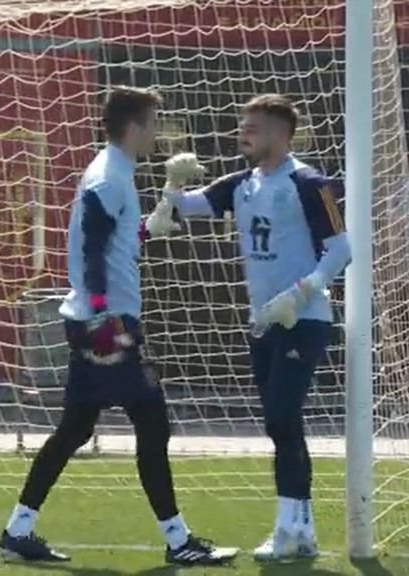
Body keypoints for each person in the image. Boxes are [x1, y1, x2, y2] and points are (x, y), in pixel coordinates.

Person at [0, 87, 238, 566]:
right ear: (134, 125)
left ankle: (17, 530)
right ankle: (178, 541)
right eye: (153, 122)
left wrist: (154, 223)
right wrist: (106, 315)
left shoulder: (115, 172)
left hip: (93, 321)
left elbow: (115, 238)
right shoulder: (108, 176)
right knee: (153, 423)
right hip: (106, 326)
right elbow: (89, 249)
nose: (157, 132)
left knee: (74, 429)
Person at [145, 94, 351, 561]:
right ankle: (300, 530)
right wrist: (171, 186)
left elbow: (342, 248)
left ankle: (289, 528)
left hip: (304, 318)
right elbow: (183, 210)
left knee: (282, 416)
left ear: (280, 133)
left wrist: (302, 292)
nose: (243, 132)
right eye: (243, 124)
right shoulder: (242, 183)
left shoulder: (310, 182)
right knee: (280, 424)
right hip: (262, 323)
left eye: (253, 127)